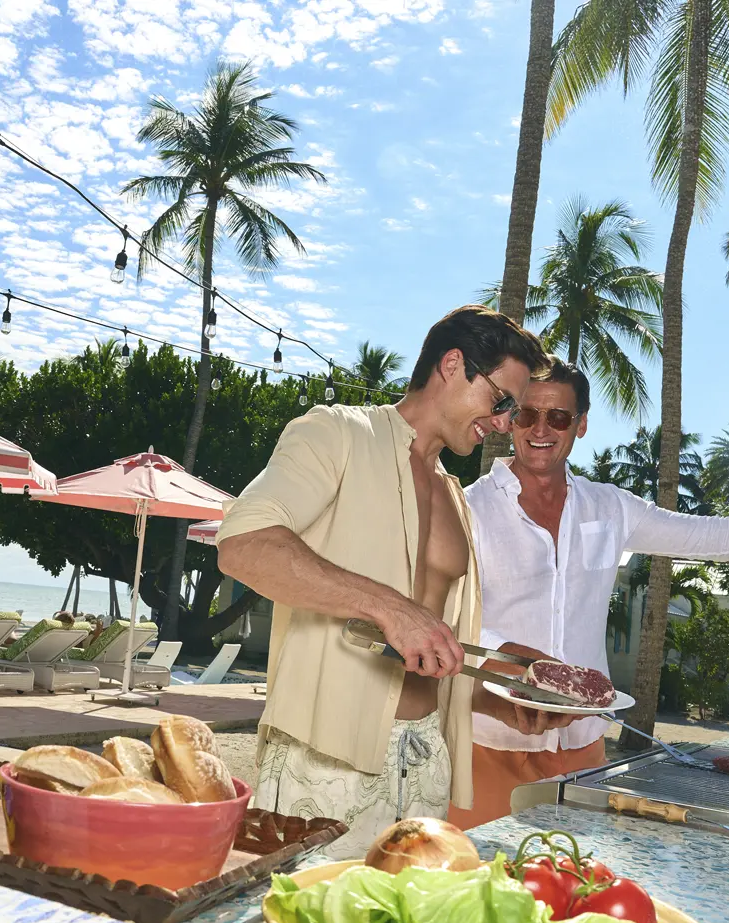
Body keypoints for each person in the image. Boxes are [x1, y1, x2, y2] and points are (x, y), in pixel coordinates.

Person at [216, 305, 549, 857]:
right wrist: (389, 608)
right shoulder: (336, 433)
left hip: (426, 762)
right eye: (502, 401)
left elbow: (422, 652)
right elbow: (243, 545)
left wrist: (497, 698)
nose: (505, 423)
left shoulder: (454, 499)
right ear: (451, 364)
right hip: (323, 761)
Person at [448, 357, 729, 830]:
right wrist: (508, 657)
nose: (541, 428)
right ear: (510, 419)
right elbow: (448, 611)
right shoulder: (469, 506)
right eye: (527, 413)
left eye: (558, 417)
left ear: (580, 425)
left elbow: (708, 535)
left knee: (575, 890)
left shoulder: (610, 507)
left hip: (583, 748)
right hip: (490, 738)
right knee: (476, 886)